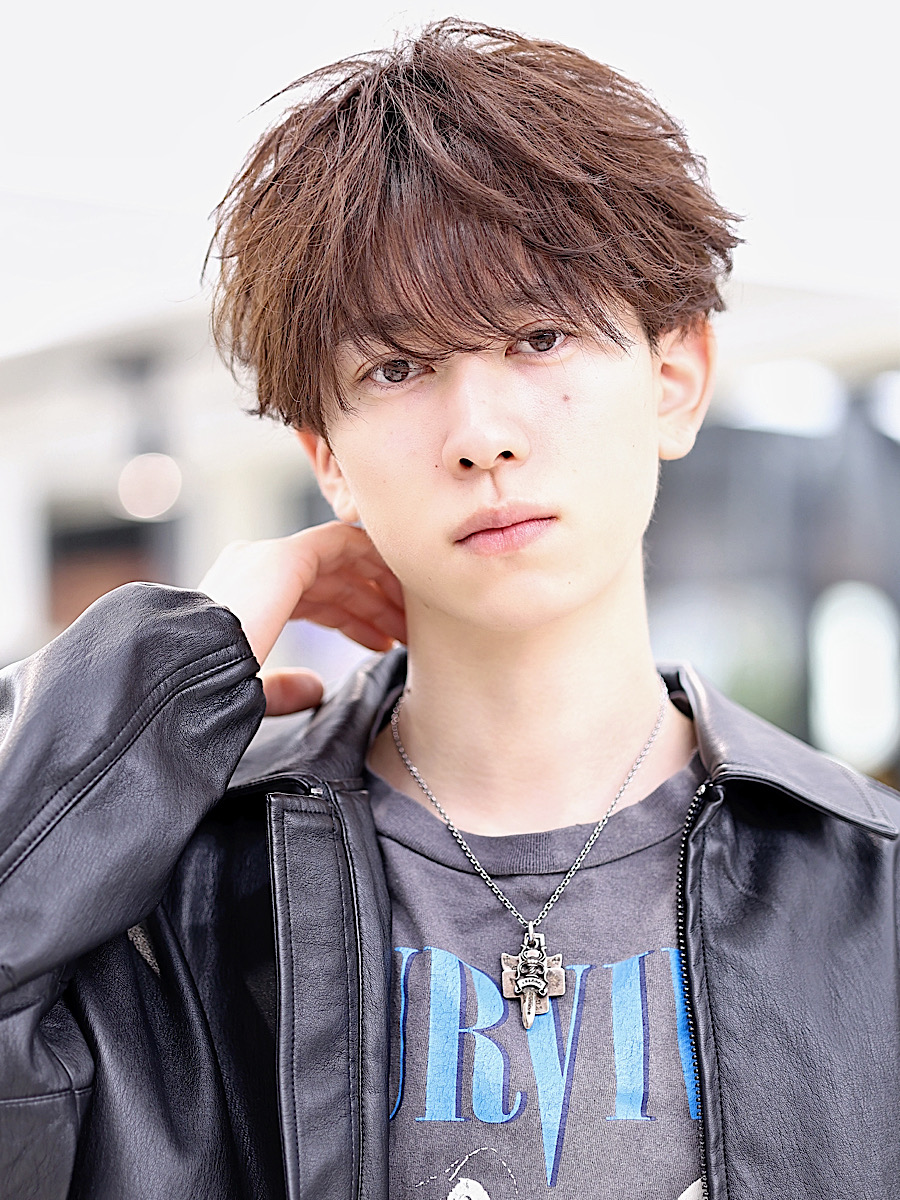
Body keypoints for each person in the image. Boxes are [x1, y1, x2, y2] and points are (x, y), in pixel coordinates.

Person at [1, 19, 897, 1200]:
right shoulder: (191, 893)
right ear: (327, 457)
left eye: (541, 336)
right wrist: (158, 676)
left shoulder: (865, 888)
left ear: (675, 378)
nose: (482, 435)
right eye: (398, 367)